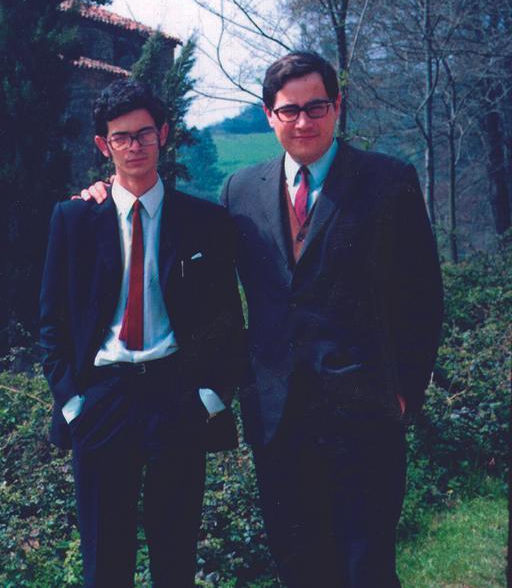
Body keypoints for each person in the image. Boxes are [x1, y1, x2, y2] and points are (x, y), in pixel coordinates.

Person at [79, 52, 444, 587]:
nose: (303, 121)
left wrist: (404, 392)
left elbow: (422, 298)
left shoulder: (388, 181)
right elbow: (200, 280)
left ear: (337, 107)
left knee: (367, 567)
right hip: (278, 418)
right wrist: (105, 197)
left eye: (316, 106)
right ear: (269, 115)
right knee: (298, 565)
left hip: (365, 413)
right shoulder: (241, 191)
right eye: (289, 110)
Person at [40, 78, 245, 587]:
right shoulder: (73, 219)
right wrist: (72, 403)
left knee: (175, 555)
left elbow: (227, 320)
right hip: (103, 398)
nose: (134, 147)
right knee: (104, 563)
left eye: (145, 134)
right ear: (103, 145)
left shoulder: (205, 222)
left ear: (164, 135)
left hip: (175, 394)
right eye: (121, 137)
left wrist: (212, 396)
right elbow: (51, 323)